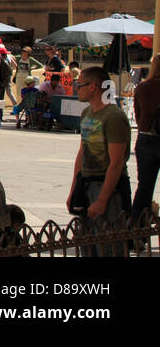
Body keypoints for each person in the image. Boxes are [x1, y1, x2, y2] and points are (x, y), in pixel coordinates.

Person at [67, 66, 131, 256]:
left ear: (93, 86)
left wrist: (102, 199)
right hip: (86, 183)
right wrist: (73, 190)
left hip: (108, 186)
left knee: (110, 244)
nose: (76, 89)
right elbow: (82, 153)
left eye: (80, 85)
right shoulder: (87, 113)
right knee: (89, 245)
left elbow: (117, 162)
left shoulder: (114, 116)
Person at [131, 56, 160, 226]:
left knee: (144, 188)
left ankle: (136, 232)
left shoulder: (142, 87)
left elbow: (138, 116)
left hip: (146, 138)